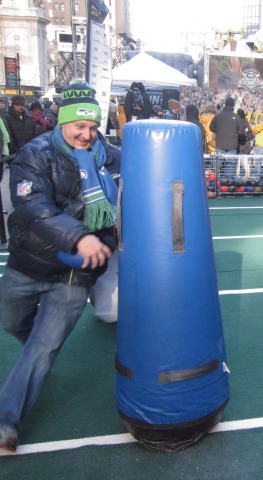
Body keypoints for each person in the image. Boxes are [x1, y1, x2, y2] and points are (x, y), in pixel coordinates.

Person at [0, 79, 120, 452]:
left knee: (43, 345)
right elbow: (33, 207)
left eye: (92, 127)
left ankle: (5, 422)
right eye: (79, 126)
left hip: (76, 271)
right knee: (12, 321)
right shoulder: (34, 155)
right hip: (29, 263)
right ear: (61, 122)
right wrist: (77, 236)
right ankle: (34, 360)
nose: (87, 135)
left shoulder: (110, 154)